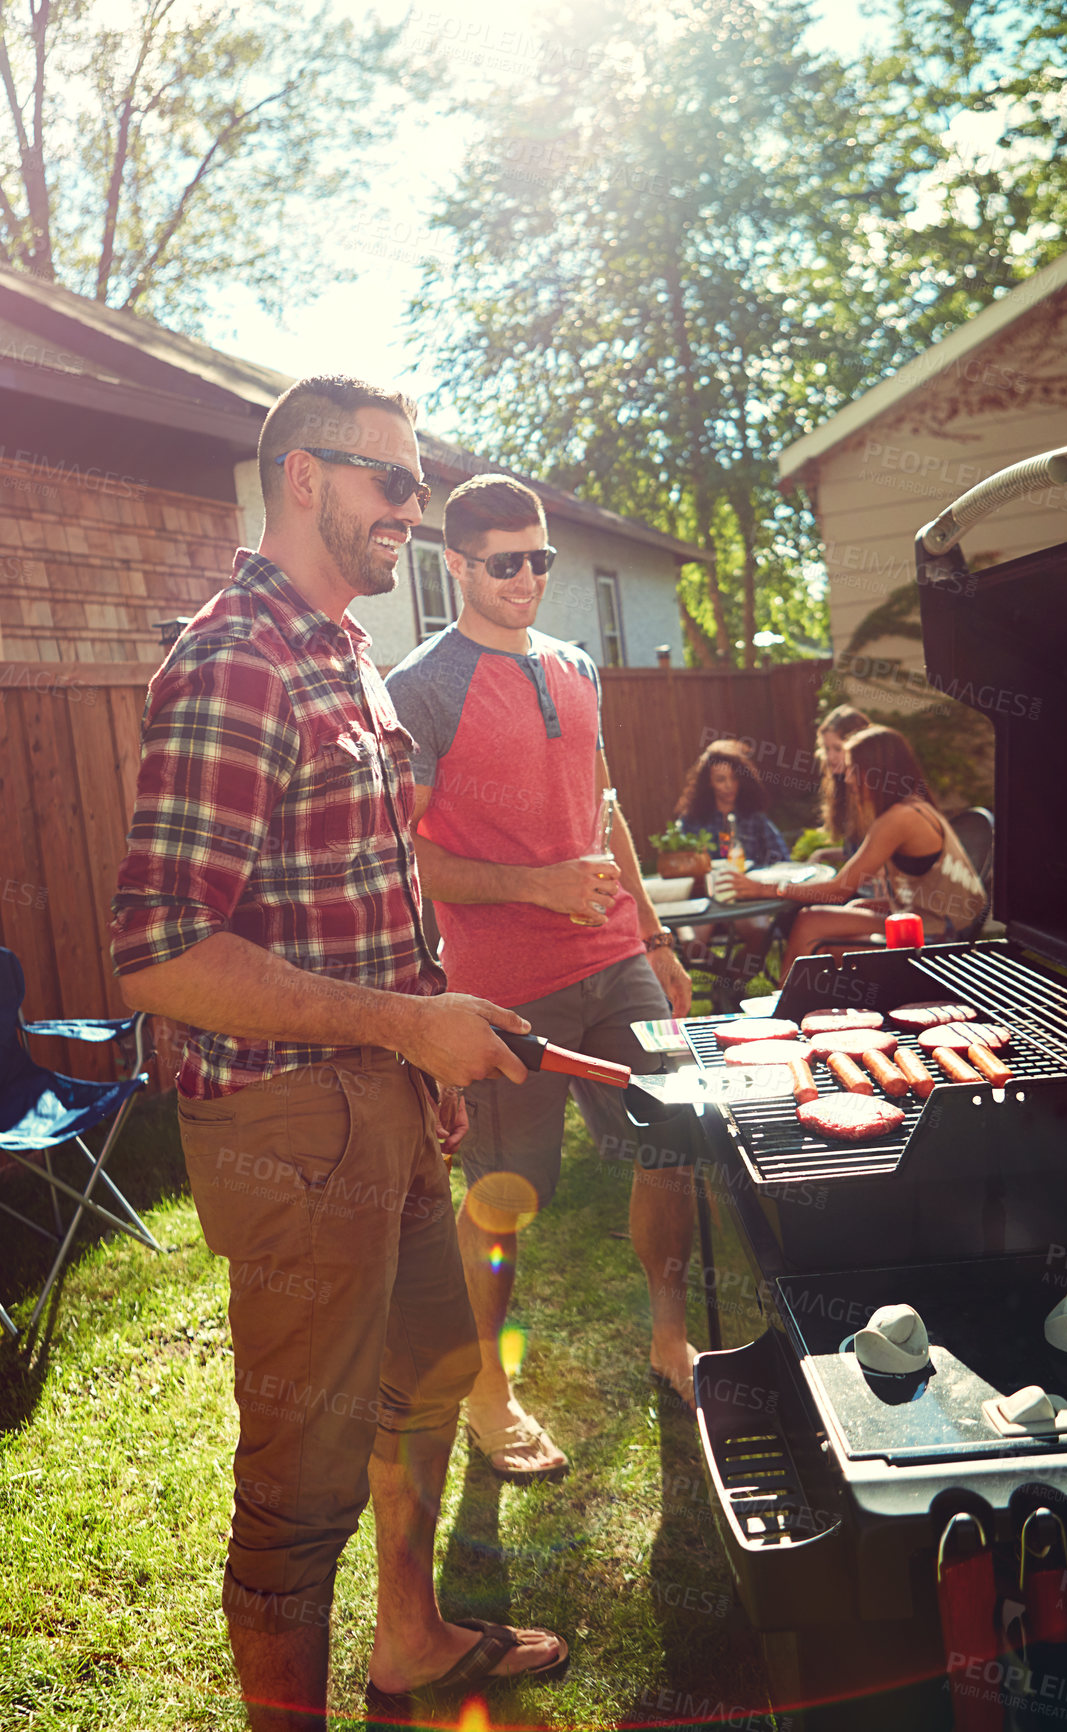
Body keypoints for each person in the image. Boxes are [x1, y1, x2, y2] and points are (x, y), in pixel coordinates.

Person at [109, 377, 566, 1732]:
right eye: (393, 483)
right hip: (289, 1132)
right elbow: (159, 951)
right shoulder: (234, 657)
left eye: (416, 485)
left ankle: (411, 1637)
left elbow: (369, 894)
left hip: (384, 1098)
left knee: (426, 1372)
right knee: (300, 1485)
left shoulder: (343, 652)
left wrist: (419, 1061)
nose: (413, 513)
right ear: (303, 477)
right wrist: (397, 1029)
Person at [385, 473, 701, 1481]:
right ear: (456, 567)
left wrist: (650, 932)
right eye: (504, 563)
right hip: (502, 984)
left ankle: (668, 1334)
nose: (527, 579)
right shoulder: (421, 686)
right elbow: (407, 855)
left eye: (540, 560)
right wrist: (535, 884)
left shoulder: (574, 664)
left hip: (615, 959)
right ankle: (488, 1384)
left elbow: (603, 802)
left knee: (672, 1139)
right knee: (507, 1196)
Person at [761, 724, 987, 972]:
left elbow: (838, 891)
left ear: (877, 771)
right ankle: (802, 998)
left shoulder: (899, 818)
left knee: (810, 921)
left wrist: (765, 889)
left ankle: (786, 1003)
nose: (847, 778)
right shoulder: (915, 806)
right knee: (842, 922)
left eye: (853, 770)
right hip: (936, 922)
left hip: (940, 939)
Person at [672, 738, 789, 869]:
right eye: (720, 780)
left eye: (734, 778)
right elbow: (679, 864)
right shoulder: (692, 821)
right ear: (708, 782)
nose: (729, 785)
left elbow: (782, 860)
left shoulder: (754, 819)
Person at [812, 704, 871, 861]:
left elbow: (873, 860)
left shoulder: (872, 793)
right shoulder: (844, 788)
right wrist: (822, 854)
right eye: (826, 749)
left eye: (838, 749)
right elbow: (856, 854)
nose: (830, 757)